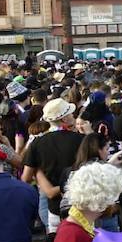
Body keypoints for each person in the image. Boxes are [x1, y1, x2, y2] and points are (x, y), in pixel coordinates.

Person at [22, 97, 84, 234]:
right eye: (70, 113)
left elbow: (25, 178)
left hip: (54, 208)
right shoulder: (81, 140)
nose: (73, 115)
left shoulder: (37, 143)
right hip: (81, 204)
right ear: (64, 119)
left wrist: (39, 175)